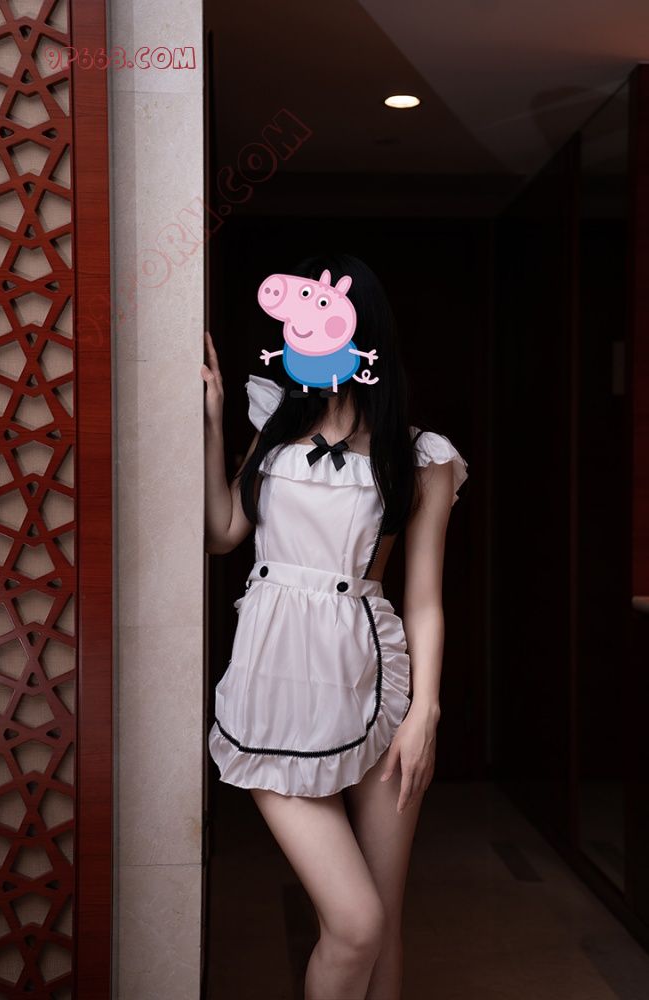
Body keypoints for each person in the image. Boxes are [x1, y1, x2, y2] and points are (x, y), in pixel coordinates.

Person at [202, 253, 468, 1000]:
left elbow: (424, 598)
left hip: (374, 684)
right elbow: (223, 531)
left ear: (361, 331)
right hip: (275, 688)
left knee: (384, 924)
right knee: (355, 925)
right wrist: (214, 421)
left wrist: (424, 714)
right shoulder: (273, 430)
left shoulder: (418, 455)